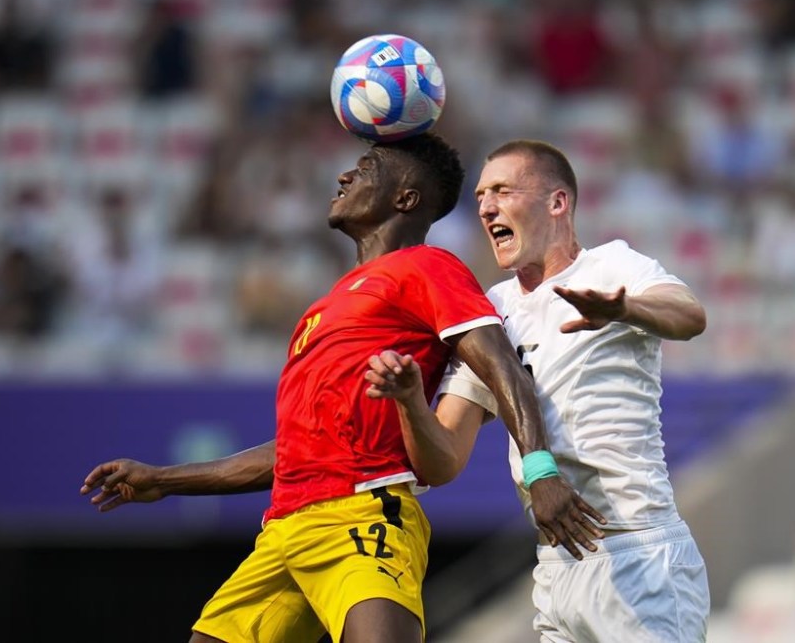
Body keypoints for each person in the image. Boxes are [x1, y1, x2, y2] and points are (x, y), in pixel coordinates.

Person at [79, 133, 605, 643]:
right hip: (283, 531)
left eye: (367, 168)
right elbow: (294, 453)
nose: (344, 174)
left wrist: (541, 472)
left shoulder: (428, 267)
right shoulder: (325, 309)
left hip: (364, 515)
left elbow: (503, 369)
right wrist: (165, 479)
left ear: (405, 198)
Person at [365, 139, 710, 642]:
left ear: (557, 202)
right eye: (482, 196)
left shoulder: (612, 267)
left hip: (637, 553)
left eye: (502, 190)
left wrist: (624, 310)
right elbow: (445, 457)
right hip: (556, 564)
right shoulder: (492, 310)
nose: (485, 207)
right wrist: (409, 399)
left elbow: (689, 315)